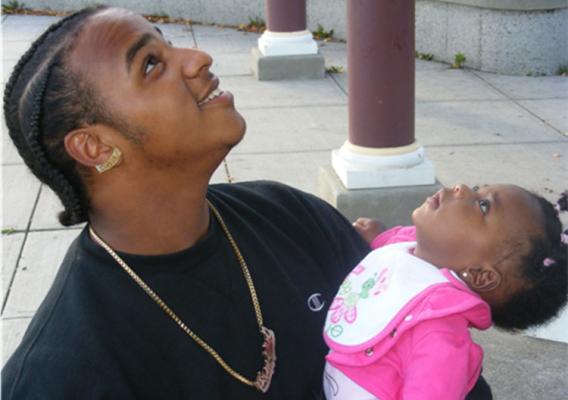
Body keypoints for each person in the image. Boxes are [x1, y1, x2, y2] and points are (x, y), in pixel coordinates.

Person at [1, 5, 491, 399]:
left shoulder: (293, 218)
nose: (197, 59)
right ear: (96, 148)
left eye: (168, 45)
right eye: (151, 64)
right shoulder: (63, 374)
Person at [322, 185, 568, 400]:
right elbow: (402, 248)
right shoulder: (418, 248)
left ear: (481, 275)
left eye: (482, 206)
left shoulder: (439, 336)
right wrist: (379, 235)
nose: (461, 187)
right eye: (477, 188)